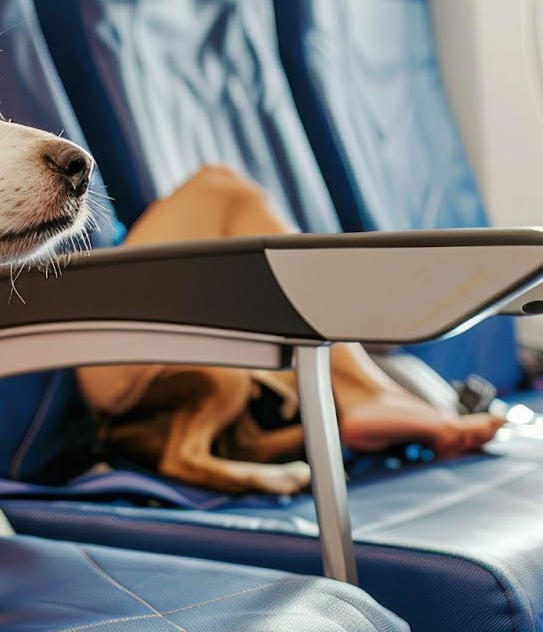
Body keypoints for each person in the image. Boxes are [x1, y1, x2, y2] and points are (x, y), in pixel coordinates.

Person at [77, 166, 504, 488]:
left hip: (132, 332)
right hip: (87, 334)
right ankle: (365, 393)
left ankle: (365, 397)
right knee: (219, 185)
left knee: (226, 205)